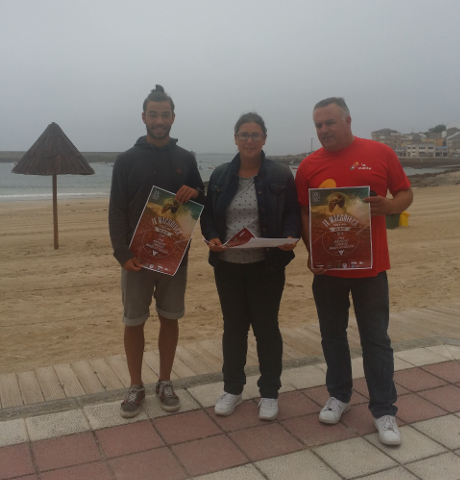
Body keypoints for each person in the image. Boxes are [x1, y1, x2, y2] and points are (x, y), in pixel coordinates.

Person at [295, 97, 413, 445]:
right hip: (328, 270)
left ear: (348, 120)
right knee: (332, 336)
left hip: (371, 269)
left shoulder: (380, 154)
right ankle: (340, 396)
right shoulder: (307, 166)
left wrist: (390, 206)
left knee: (376, 339)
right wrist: (311, 251)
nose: (323, 130)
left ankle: (384, 410)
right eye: (318, 125)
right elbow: (304, 212)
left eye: (329, 123)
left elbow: (405, 194)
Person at [109, 85, 205, 418]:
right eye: (154, 114)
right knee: (133, 321)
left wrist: (196, 190)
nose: (159, 120)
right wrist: (122, 253)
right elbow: (116, 210)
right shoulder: (126, 160)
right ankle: (135, 385)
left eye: (165, 114)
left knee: (170, 318)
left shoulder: (185, 158)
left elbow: (199, 199)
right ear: (144, 117)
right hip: (135, 258)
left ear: (173, 118)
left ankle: (165, 381)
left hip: (173, 257)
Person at [201, 112, 301, 420]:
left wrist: (290, 236)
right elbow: (207, 216)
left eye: (255, 135)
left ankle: (269, 392)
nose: (249, 140)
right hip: (228, 266)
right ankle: (232, 389)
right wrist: (213, 236)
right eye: (243, 134)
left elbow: (293, 214)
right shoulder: (219, 175)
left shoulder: (280, 174)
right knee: (234, 328)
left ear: (264, 139)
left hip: (266, 265)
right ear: (235, 138)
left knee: (266, 329)